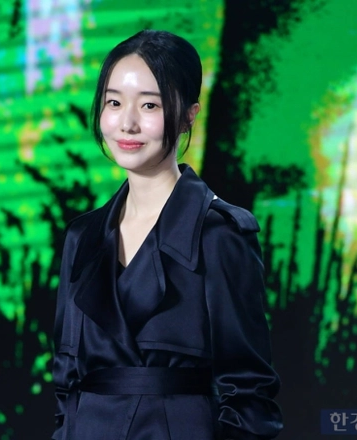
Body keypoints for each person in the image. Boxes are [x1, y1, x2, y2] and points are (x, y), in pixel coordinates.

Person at [52, 29, 282, 440]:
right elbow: (66, 383)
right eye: (114, 102)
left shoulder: (219, 235)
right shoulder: (82, 237)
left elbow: (249, 394)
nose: (128, 123)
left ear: (189, 114)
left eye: (150, 105)